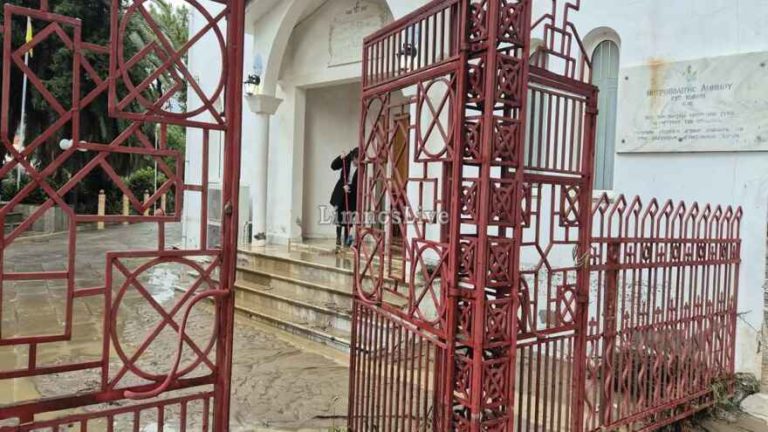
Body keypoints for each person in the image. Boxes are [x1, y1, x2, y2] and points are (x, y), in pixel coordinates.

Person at [330, 148, 359, 249]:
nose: (358, 163)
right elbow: (333, 166)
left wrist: (350, 187)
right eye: (357, 160)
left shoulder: (362, 166)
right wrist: (339, 158)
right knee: (339, 216)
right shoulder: (346, 160)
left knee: (349, 217)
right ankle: (338, 238)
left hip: (352, 193)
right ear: (354, 158)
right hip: (341, 192)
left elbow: (359, 182)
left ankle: (347, 241)